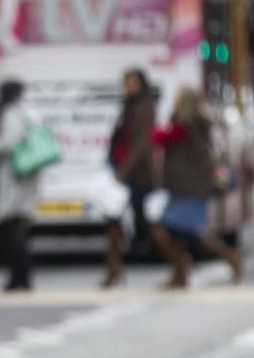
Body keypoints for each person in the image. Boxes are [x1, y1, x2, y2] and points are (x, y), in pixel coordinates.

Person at [150, 86, 243, 289]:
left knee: (188, 234)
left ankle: (228, 256)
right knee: (176, 234)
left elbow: (158, 137)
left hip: (189, 188)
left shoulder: (186, 125)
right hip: (186, 187)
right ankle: (179, 274)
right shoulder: (195, 124)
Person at [101, 67, 157, 288]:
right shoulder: (129, 106)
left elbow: (141, 144)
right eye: (126, 83)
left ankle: (178, 263)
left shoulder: (145, 107)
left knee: (148, 222)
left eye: (132, 83)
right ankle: (114, 269)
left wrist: (123, 171)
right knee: (113, 221)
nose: (128, 87)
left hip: (137, 173)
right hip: (123, 169)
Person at [0, 79, 41, 292]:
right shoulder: (29, 111)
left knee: (9, 228)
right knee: (17, 228)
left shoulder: (11, 113)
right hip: (26, 175)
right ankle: (20, 276)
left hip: (15, 176)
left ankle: (19, 276)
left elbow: (9, 142)